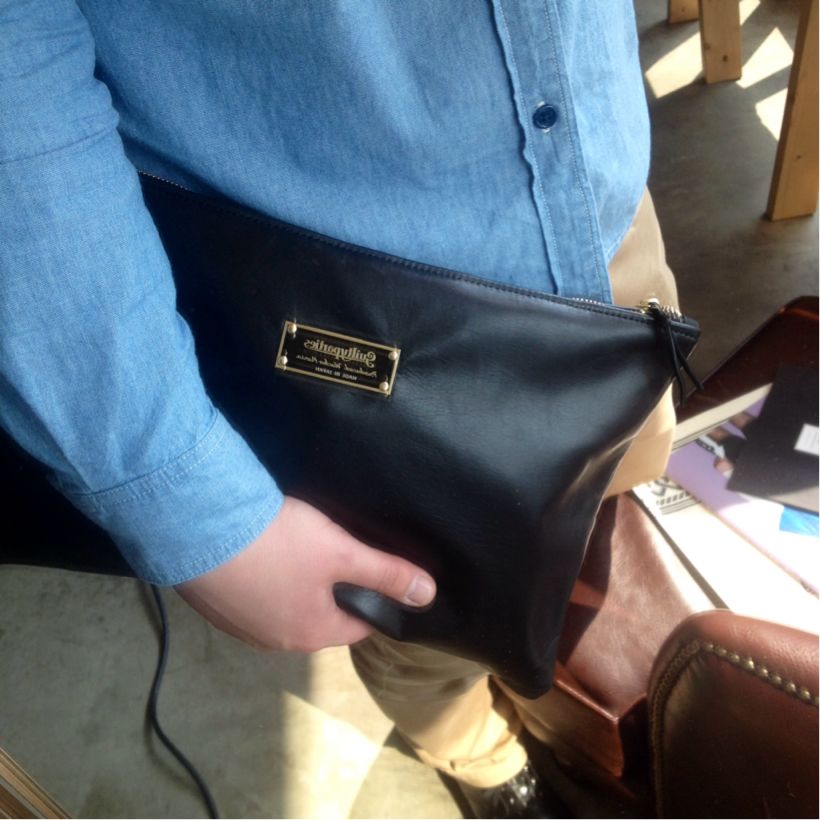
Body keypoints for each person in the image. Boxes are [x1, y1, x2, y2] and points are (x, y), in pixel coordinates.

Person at [0, 1, 678, 816]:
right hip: (350, 314)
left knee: (608, 504)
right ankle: (475, 754)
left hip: (600, 221)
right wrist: (182, 499)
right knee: (425, 622)